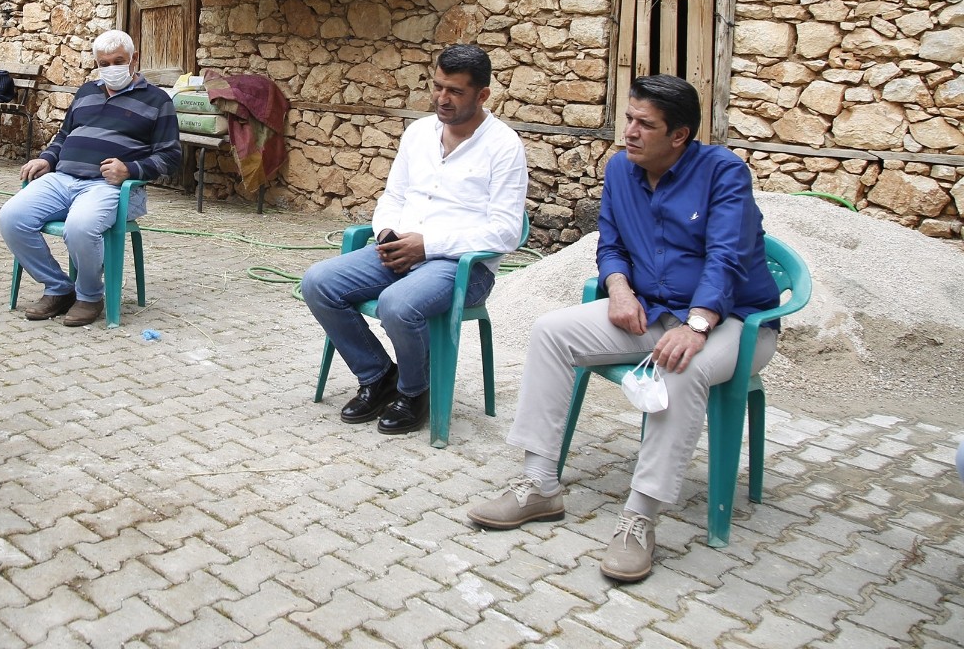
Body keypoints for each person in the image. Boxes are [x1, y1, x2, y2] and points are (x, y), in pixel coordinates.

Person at [467, 74, 781, 584]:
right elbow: (609, 242)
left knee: (680, 367)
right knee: (551, 331)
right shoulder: (620, 170)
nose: (629, 132)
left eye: (644, 124)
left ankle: (640, 518)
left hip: (735, 323)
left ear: (678, 136)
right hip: (652, 311)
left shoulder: (722, 172)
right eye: (628, 118)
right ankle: (540, 485)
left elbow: (728, 256)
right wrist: (618, 288)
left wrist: (698, 324)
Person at [303, 44, 528, 435]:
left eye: (455, 91)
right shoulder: (419, 133)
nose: (442, 98)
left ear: (483, 95)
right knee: (318, 283)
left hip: (460, 267)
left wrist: (427, 244)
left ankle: (414, 392)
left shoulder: (504, 146)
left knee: (397, 304)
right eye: (438, 86)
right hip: (400, 249)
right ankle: (377, 376)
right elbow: (394, 195)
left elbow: (506, 231)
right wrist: (387, 232)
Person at [0, 30, 180, 327]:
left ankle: (90, 296)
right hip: (62, 179)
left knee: (80, 226)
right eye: (104, 63)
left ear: (134, 59)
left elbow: (171, 157)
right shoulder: (86, 92)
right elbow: (64, 136)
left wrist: (130, 170)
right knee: (11, 217)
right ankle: (58, 288)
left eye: (118, 61)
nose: (111, 68)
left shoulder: (157, 100)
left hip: (108, 187)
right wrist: (46, 158)